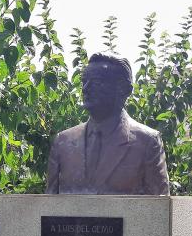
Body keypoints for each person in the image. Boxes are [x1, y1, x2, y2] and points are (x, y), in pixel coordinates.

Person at [46, 52, 169, 195]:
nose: (85, 89)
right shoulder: (63, 142)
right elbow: (49, 203)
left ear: (124, 89)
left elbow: (159, 205)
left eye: (96, 82)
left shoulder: (147, 142)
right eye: (84, 82)